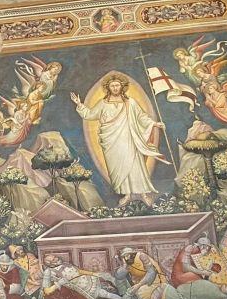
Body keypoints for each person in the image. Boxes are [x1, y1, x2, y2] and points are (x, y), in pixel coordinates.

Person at [70, 73, 167, 206]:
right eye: (112, 86)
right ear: (108, 87)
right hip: (111, 141)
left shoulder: (130, 102)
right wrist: (79, 104)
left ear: (122, 87)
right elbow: (90, 115)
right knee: (118, 168)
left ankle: (143, 194)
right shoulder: (103, 103)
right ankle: (127, 194)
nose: (115, 88)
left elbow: (141, 117)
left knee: (135, 165)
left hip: (128, 138)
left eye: (117, 85)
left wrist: (154, 123)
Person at [39, 254, 121, 299]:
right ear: (50, 264)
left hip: (85, 283)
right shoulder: (49, 272)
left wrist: (94, 274)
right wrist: (59, 284)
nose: (57, 258)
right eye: (54, 259)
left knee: (105, 294)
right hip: (77, 292)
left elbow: (79, 271)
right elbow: (47, 291)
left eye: (55, 257)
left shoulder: (65, 264)